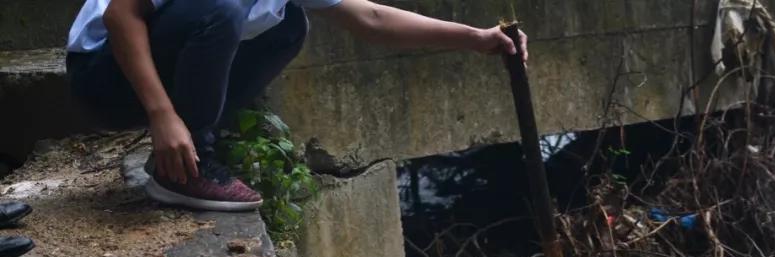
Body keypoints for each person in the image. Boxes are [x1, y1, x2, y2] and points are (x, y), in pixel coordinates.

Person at [66, 0, 527, 212]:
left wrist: (475, 38)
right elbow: (120, 16)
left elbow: (370, 18)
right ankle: (184, 169)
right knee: (221, 9)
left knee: (289, 24)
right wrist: (162, 115)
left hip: (151, 64)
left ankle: (195, 145)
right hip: (103, 75)